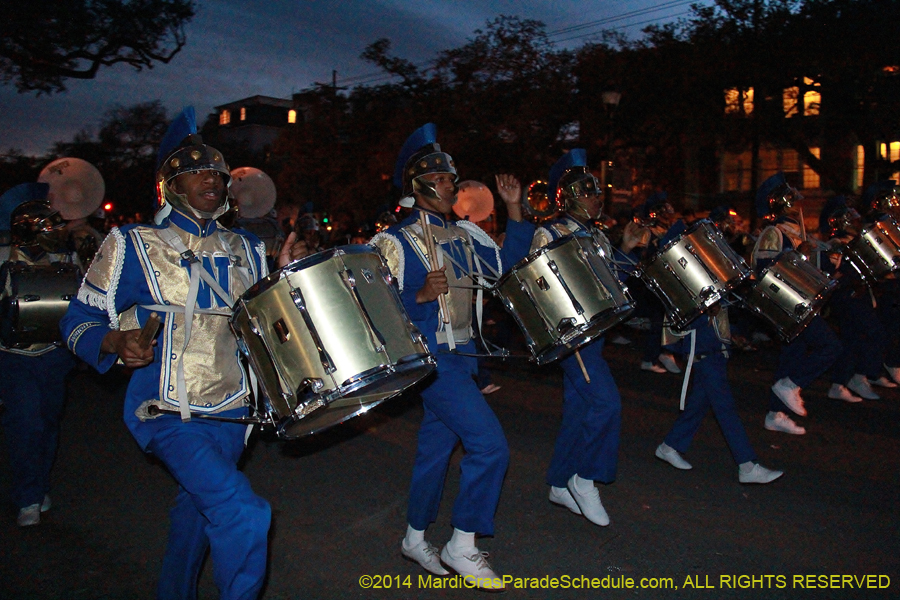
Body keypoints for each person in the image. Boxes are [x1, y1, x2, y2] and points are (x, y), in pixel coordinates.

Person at [60, 107, 298, 600]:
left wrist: (286, 282)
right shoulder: (133, 244)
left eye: (215, 170)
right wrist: (114, 341)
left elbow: (263, 330)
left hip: (234, 412)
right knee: (243, 512)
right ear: (170, 186)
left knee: (194, 513)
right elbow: (76, 320)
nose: (210, 178)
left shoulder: (248, 248)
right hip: (168, 409)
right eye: (194, 171)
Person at [370, 123, 534, 590]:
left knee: (435, 450)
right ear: (418, 186)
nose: (451, 187)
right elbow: (374, 311)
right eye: (442, 180)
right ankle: (462, 545)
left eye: (451, 178)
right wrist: (417, 297)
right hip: (431, 359)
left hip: (463, 355)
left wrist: (514, 209)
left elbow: (506, 270)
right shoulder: (394, 241)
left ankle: (414, 536)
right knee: (489, 445)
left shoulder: (464, 234)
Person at [530, 149, 624, 526]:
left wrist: (628, 248)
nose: (595, 197)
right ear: (566, 196)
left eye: (596, 190)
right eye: (586, 191)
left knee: (579, 410)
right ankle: (584, 478)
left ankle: (558, 483)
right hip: (574, 335)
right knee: (607, 404)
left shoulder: (596, 233)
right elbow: (539, 284)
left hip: (597, 331)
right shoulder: (549, 231)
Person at [652, 217, 783, 484]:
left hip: (713, 347)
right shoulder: (676, 277)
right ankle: (747, 464)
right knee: (725, 407)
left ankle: (670, 446)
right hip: (703, 349)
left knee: (701, 403)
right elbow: (684, 316)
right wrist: (705, 309)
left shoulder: (698, 268)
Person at [0, 183, 79, 527]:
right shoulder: (3, 259)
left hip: (54, 355)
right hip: (14, 356)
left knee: (47, 422)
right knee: (26, 423)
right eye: (48, 224)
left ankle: (38, 482)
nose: (57, 229)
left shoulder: (67, 259)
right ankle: (28, 496)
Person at [751, 172, 841, 435]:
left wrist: (830, 260)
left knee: (792, 357)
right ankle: (792, 385)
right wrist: (796, 256)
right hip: (789, 303)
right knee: (830, 346)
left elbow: (812, 268)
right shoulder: (773, 232)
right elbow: (765, 268)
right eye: (789, 199)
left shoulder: (797, 231)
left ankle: (774, 414)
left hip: (802, 301)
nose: (795, 204)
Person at [818, 196, 889, 401]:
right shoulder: (836, 244)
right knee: (875, 333)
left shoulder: (853, 241)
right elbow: (832, 274)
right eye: (849, 217)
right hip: (847, 298)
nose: (855, 220)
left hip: (860, 296)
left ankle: (841, 382)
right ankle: (858, 376)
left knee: (853, 340)